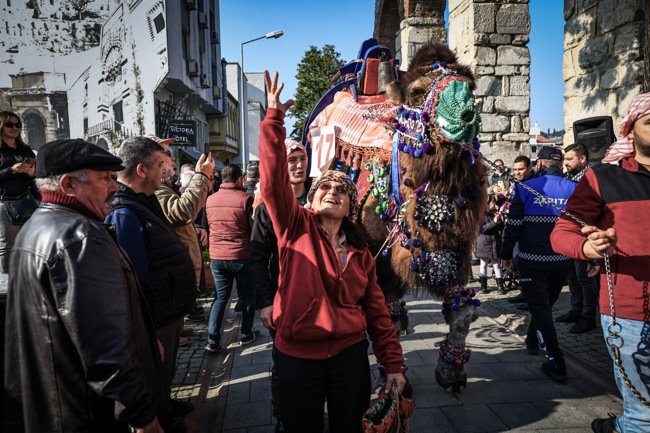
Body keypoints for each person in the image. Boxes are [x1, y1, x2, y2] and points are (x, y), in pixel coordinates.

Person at [259, 70, 406, 433]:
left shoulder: (360, 250)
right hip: (298, 357)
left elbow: (377, 312)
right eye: (324, 187)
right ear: (311, 199)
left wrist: (392, 364)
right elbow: (272, 181)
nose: (333, 191)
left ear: (351, 206)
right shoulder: (294, 228)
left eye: (342, 190)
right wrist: (273, 120)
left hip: (349, 357)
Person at [4, 139, 164, 433]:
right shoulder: (80, 235)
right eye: (104, 179)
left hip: (57, 405)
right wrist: (143, 415)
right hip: (86, 411)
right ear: (68, 184)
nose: (114, 187)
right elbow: (104, 344)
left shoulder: (36, 226)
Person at [551, 92, 650, 433]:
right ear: (630, 129)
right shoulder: (603, 178)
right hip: (631, 315)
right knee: (644, 418)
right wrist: (588, 248)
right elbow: (562, 233)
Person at [105, 136, 197, 429]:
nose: (165, 171)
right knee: (154, 373)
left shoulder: (142, 200)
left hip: (166, 306)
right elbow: (133, 278)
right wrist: (145, 330)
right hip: (155, 313)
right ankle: (162, 419)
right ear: (142, 170)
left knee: (164, 370)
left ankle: (166, 404)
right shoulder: (124, 211)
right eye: (160, 165)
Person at [501, 146, 576, 383]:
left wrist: (505, 254)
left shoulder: (525, 188)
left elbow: (513, 226)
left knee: (541, 309)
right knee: (543, 305)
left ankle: (556, 363)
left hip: (532, 260)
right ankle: (532, 340)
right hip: (562, 260)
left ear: (540, 164)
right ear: (560, 164)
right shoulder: (575, 188)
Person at [250, 138, 310, 432]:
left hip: (322, 298)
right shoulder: (267, 208)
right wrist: (265, 302)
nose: (298, 166)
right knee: (286, 364)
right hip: (284, 298)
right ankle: (285, 417)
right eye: (291, 160)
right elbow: (257, 258)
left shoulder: (322, 197)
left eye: (302, 159)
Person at [204, 164, 260, 353]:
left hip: (217, 257)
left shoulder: (210, 199)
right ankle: (246, 334)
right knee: (247, 295)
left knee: (220, 298)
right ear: (239, 179)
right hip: (240, 255)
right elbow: (253, 229)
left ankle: (213, 340)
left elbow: (206, 227)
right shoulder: (245, 199)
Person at [554, 142, 600, 334]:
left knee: (585, 277)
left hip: (586, 236)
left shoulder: (591, 178)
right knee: (572, 276)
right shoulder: (568, 178)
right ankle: (576, 310)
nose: (566, 163)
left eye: (569, 159)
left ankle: (588, 317)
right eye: (565, 159)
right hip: (570, 235)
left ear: (582, 159)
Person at [0, 111, 37, 275]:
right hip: (4, 203)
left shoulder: (25, 149)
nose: (15, 128)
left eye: (18, 125)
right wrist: (11, 170)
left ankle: (30, 277)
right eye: (9, 124)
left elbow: (37, 173)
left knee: (31, 241)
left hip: (26, 199)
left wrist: (32, 172)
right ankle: (9, 283)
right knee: (8, 245)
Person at [475, 194, 505, 294]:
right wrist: (494, 222)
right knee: (483, 264)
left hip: (494, 243)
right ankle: (483, 286)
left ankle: (500, 286)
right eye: (492, 202)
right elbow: (482, 229)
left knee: (497, 264)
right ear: (486, 204)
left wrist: (499, 221)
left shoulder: (494, 213)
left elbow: (501, 227)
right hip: (484, 244)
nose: (494, 204)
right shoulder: (480, 216)